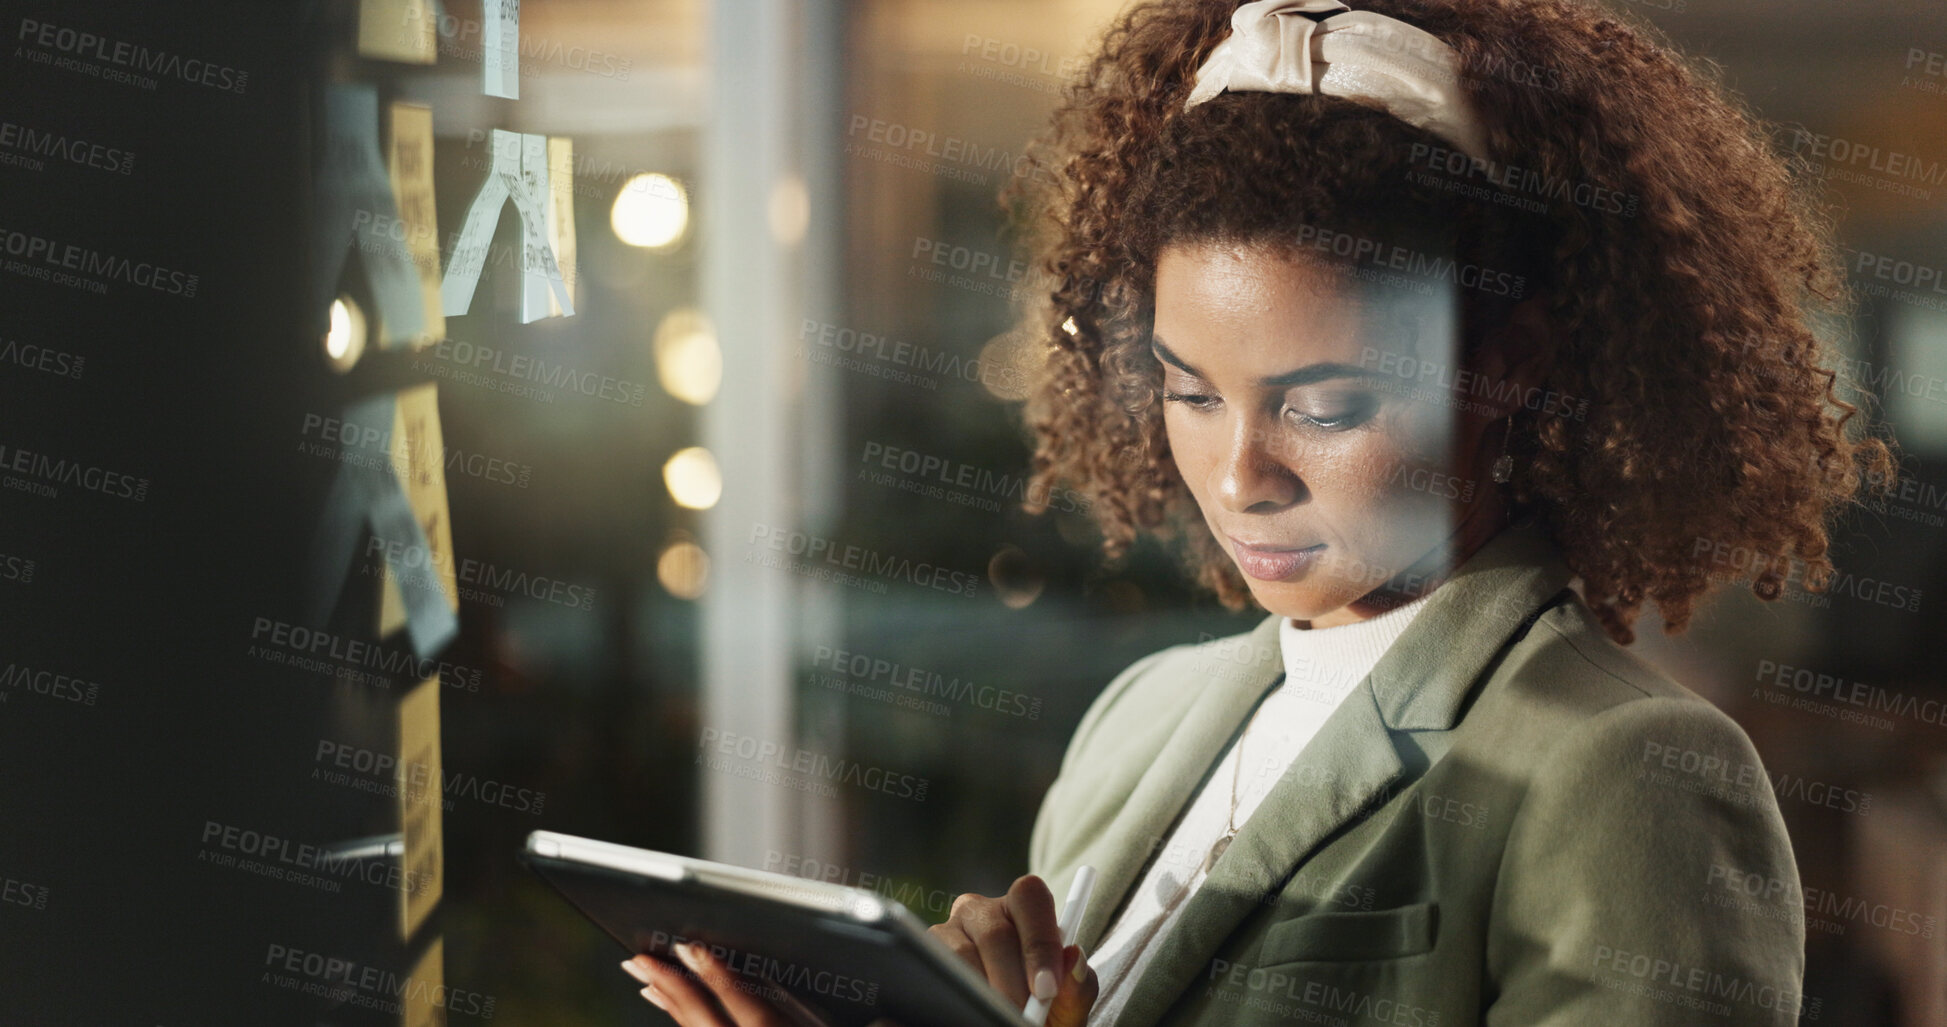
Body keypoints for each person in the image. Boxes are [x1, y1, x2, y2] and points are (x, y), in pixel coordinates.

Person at [619, 0, 1894, 1023]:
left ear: (1506, 365)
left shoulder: (1627, 777)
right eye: (1189, 392)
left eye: (1325, 405)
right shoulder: (1142, 721)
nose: (1239, 477)